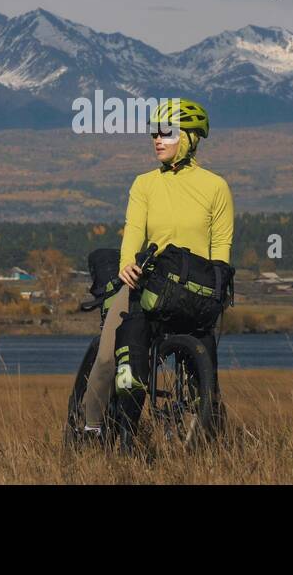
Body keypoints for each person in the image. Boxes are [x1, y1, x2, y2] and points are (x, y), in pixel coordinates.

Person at [79, 98, 234, 440]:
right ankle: (90, 426)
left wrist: (218, 292)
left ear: (190, 138)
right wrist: (126, 269)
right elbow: (133, 232)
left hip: (193, 291)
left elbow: (220, 249)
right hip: (145, 283)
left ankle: (202, 437)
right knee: (107, 357)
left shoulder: (216, 187)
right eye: (154, 133)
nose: (157, 140)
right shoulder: (144, 183)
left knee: (204, 371)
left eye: (167, 133)